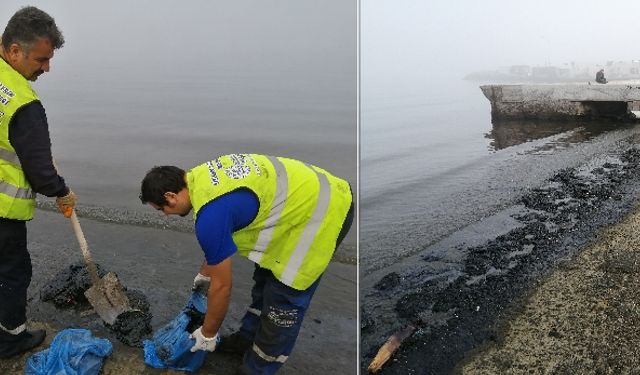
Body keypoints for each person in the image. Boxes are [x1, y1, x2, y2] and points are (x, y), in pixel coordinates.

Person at [140, 153, 353, 374]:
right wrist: (205, 275)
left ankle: (258, 368)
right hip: (302, 199)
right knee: (264, 278)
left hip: (325, 211)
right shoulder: (200, 179)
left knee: (283, 302)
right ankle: (247, 339)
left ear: (171, 196)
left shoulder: (210, 216)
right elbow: (219, 241)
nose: (165, 215)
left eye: (161, 209)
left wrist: (207, 335)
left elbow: (223, 288)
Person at [0, 6, 77, 358]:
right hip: (3, 212)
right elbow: (41, 173)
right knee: (14, 272)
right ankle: (11, 338)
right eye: (42, 59)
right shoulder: (23, 102)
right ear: (15, 50)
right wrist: (61, 191)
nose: (46, 68)